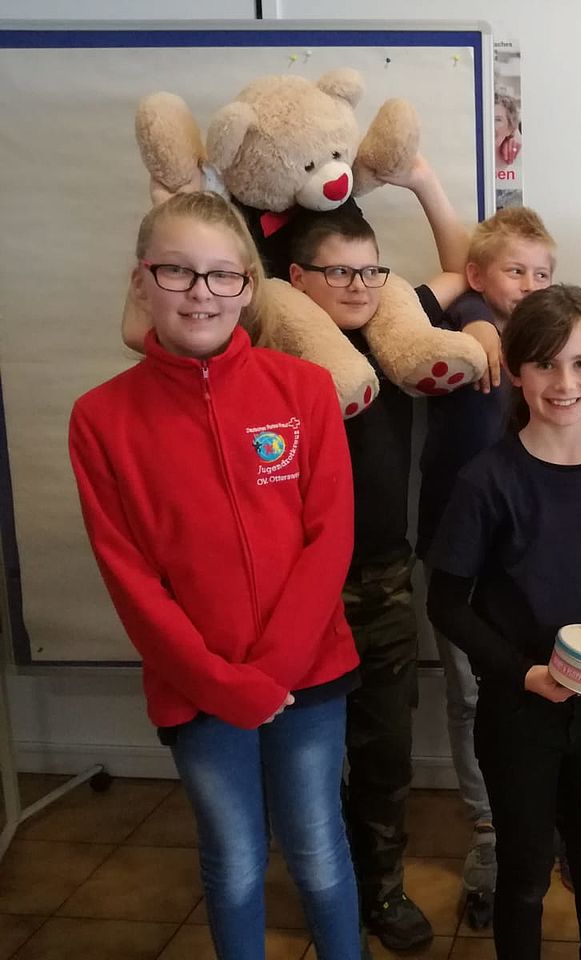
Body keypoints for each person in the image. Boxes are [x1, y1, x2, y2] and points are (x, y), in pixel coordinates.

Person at [69, 191, 362, 960]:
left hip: (308, 673)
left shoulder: (303, 390)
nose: (201, 292)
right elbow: (130, 578)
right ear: (142, 281)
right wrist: (223, 685)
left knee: (318, 850)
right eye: (177, 271)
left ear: (247, 286)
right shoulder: (100, 419)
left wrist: (271, 673)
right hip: (195, 688)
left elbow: (330, 537)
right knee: (233, 861)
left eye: (222, 274)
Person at [427, 284, 581, 960]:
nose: (565, 383)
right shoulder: (487, 480)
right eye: (546, 364)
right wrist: (523, 673)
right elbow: (447, 604)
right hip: (520, 715)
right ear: (516, 371)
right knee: (524, 879)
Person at [285, 150, 474, 952]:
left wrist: (422, 180)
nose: (359, 286)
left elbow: (464, 268)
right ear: (296, 280)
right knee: (307, 751)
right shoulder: (269, 346)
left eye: (371, 271)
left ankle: (382, 887)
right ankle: (322, 883)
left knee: (384, 745)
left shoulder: (396, 335)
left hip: (383, 577)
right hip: (297, 586)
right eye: (340, 273)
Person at [414, 204, 556, 928]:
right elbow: (439, 298)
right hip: (458, 554)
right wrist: (473, 318)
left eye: (542, 273)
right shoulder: (453, 328)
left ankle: (540, 816)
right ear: (476, 276)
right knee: (471, 694)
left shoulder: (557, 342)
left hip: (536, 553)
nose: (529, 285)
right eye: (514, 271)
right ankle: (488, 830)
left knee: (542, 685)